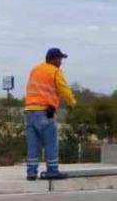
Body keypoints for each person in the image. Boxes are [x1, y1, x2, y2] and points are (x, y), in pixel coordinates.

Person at [24, 47, 77, 181]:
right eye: (60, 59)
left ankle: (31, 172)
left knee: (33, 144)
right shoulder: (55, 72)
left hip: (29, 111)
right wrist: (72, 103)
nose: (61, 62)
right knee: (50, 142)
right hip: (45, 112)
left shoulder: (34, 70)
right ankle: (52, 171)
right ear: (54, 59)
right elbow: (64, 90)